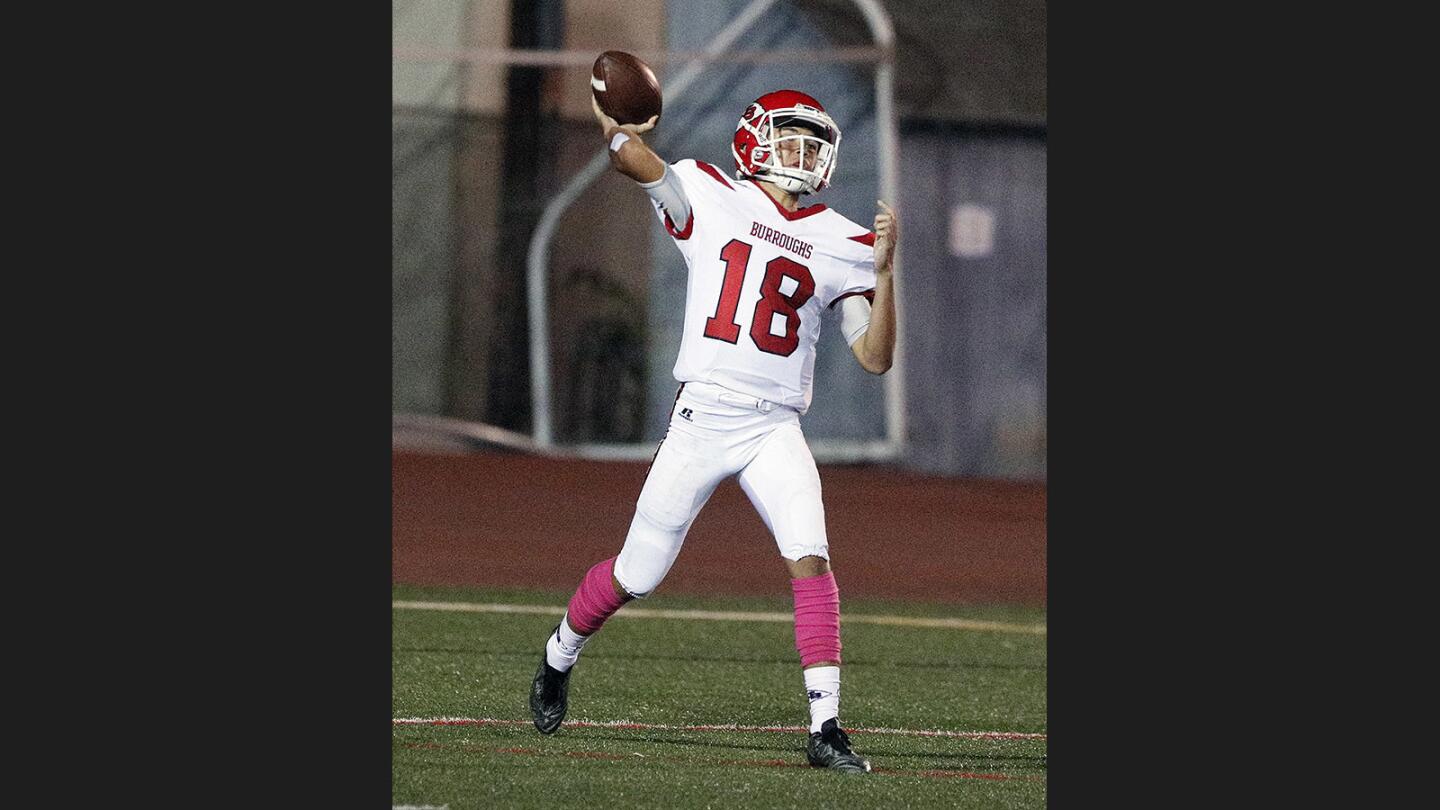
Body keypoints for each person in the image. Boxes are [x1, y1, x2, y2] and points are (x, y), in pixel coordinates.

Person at [530, 88, 898, 775]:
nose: (805, 154)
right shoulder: (709, 191)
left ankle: (826, 728)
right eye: (790, 139)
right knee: (638, 573)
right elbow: (640, 164)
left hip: (774, 427)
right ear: (754, 140)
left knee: (810, 556)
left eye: (813, 143)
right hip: (705, 414)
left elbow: (874, 358)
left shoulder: (846, 242)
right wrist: (618, 130)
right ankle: (559, 654)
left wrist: (884, 277)